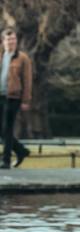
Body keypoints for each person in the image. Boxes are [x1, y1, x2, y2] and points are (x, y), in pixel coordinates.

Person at [0, 27, 32, 169]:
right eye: (8, 39)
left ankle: (6, 160)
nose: (11, 42)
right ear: (3, 41)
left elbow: (27, 80)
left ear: (16, 41)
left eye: (13, 39)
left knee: (7, 129)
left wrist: (25, 100)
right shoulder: (0, 55)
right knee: (2, 130)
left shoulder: (22, 58)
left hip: (13, 97)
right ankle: (21, 150)